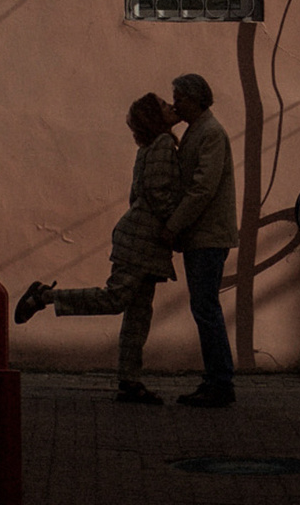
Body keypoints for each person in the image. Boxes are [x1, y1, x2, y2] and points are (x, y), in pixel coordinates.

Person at [12, 94, 182, 404]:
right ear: (154, 118)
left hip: (141, 238)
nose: (171, 105)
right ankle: (44, 296)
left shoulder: (149, 148)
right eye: (162, 105)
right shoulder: (162, 147)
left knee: (138, 314)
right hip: (143, 240)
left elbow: (137, 195)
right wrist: (178, 222)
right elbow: (158, 195)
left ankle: (130, 381)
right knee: (116, 299)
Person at [162, 71, 239, 408]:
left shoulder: (210, 134)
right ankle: (216, 379)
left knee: (206, 308)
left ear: (194, 99)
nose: (175, 104)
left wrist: (173, 226)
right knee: (204, 307)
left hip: (207, 236)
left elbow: (201, 189)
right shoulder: (199, 131)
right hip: (200, 235)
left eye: (179, 98)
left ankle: (220, 382)